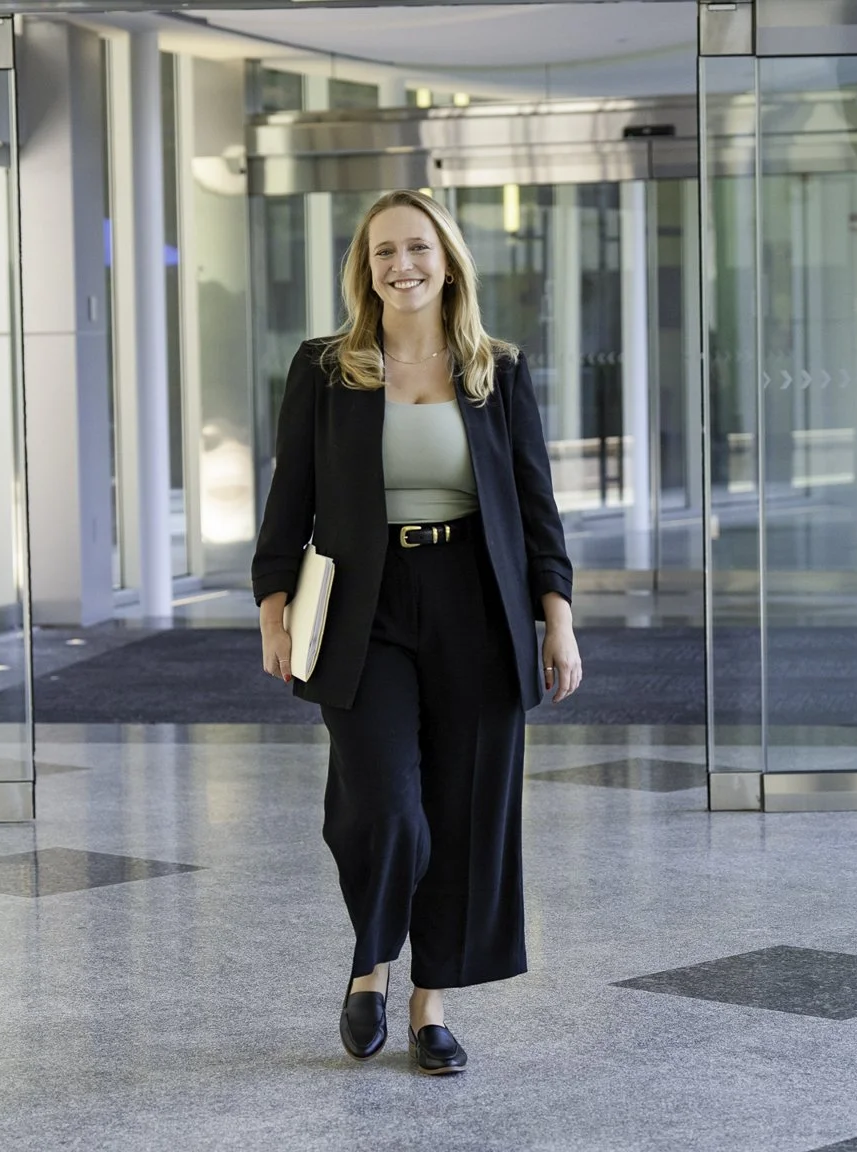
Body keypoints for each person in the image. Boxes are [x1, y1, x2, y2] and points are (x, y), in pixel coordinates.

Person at [251, 189, 581, 1076]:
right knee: (385, 806)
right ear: (365, 268)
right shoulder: (327, 369)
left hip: (479, 599)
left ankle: (429, 1005)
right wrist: (271, 611)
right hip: (368, 605)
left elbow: (537, 512)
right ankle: (371, 965)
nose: (401, 265)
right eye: (384, 252)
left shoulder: (496, 370)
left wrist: (560, 622)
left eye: (418, 250)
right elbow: (289, 504)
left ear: (448, 261)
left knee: (465, 809)